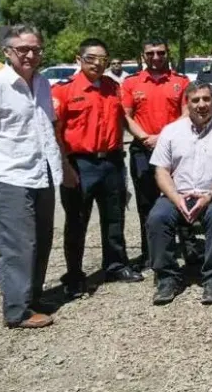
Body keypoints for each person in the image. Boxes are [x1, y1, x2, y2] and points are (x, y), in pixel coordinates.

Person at [53, 38, 142, 301]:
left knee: (114, 217)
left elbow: (124, 119)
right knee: (77, 221)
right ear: (78, 59)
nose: (97, 64)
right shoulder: (63, 90)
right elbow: (55, 132)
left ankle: (115, 266)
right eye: (91, 58)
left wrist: (146, 137)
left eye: (103, 59)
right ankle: (74, 276)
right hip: (80, 163)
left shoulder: (113, 87)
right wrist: (64, 166)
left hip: (111, 162)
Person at [0, 25, 62, 329]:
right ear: (7, 52)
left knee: (41, 240)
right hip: (9, 175)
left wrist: (62, 167)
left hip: (42, 172)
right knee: (17, 246)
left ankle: (32, 297)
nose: (30, 55)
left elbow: (47, 126)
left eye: (36, 49)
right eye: (23, 49)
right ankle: (17, 310)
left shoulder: (42, 84)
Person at [146, 82, 212, 305]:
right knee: (157, 217)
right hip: (178, 194)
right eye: (195, 100)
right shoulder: (171, 131)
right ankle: (167, 277)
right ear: (187, 104)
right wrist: (176, 198)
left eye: (206, 99)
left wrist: (209, 197)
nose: (202, 105)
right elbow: (161, 170)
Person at [121, 37, 189, 270]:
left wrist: (161, 137)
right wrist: (145, 137)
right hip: (143, 148)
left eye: (161, 52)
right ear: (143, 56)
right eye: (150, 53)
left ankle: (186, 249)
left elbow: (186, 113)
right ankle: (150, 252)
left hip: (174, 149)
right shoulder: (131, 82)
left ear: (168, 53)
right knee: (146, 203)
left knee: (180, 198)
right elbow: (126, 116)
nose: (156, 57)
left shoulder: (181, 81)